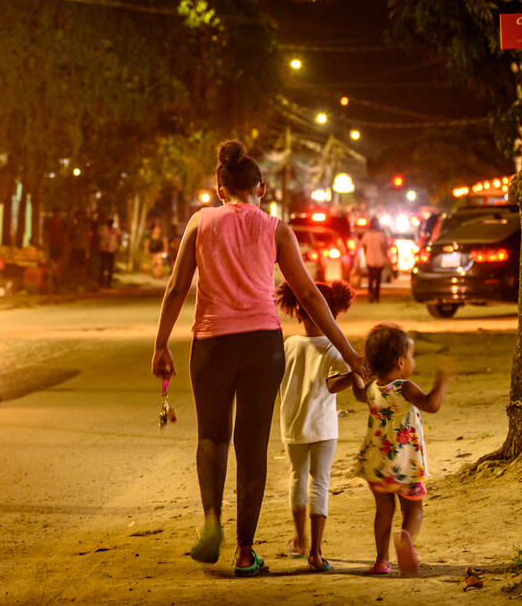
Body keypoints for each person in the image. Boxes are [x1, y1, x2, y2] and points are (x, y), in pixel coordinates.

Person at [151, 139, 366, 578]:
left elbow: (176, 289)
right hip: (261, 343)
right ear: (261, 189)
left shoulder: (200, 222)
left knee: (212, 437)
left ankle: (211, 521)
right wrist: (348, 352)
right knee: (252, 446)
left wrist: (160, 345)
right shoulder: (275, 228)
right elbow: (308, 294)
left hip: (211, 343)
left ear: (219, 188)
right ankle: (246, 552)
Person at [353, 323, 451, 575]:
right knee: (414, 508)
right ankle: (405, 536)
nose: (412, 362)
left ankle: (381, 560)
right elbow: (431, 405)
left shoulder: (372, 389)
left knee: (383, 511)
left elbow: (358, 394)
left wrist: (354, 373)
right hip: (406, 464)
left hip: (376, 465)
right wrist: (442, 379)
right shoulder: (405, 387)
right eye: (411, 356)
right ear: (399, 362)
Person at [275, 279, 358, 574]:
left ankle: (299, 540)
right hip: (324, 428)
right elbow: (334, 386)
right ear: (334, 313)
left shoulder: (289, 345)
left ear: (297, 312)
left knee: (297, 478)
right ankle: (317, 552)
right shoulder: (336, 350)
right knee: (319, 482)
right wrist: (356, 373)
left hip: (293, 425)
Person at [358, 219, 393, 303]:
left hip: (370, 259)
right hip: (379, 259)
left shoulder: (367, 235)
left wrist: (366, 255)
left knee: (371, 278)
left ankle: (371, 295)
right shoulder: (381, 235)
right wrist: (385, 257)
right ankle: (376, 296)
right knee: (377, 279)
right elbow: (385, 247)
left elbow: (364, 246)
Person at [98, 215, 120, 287]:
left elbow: (119, 234)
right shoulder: (103, 229)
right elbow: (100, 235)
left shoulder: (115, 229)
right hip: (103, 250)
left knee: (110, 267)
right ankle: (101, 281)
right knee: (102, 266)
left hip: (111, 250)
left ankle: (108, 282)